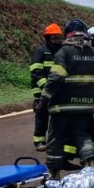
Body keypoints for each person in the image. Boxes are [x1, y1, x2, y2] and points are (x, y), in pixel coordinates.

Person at [41, 19, 94, 177]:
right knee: (82, 135)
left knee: (56, 138)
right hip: (86, 106)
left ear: (67, 35)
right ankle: (90, 165)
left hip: (62, 106)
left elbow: (55, 78)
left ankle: (54, 175)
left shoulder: (63, 52)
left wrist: (44, 99)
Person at [29, 23, 64, 151]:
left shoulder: (62, 51)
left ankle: (55, 141)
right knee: (42, 116)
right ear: (47, 38)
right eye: (54, 38)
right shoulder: (40, 52)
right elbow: (36, 73)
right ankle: (39, 141)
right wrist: (47, 87)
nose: (57, 40)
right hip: (42, 91)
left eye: (58, 38)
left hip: (59, 91)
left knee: (59, 118)